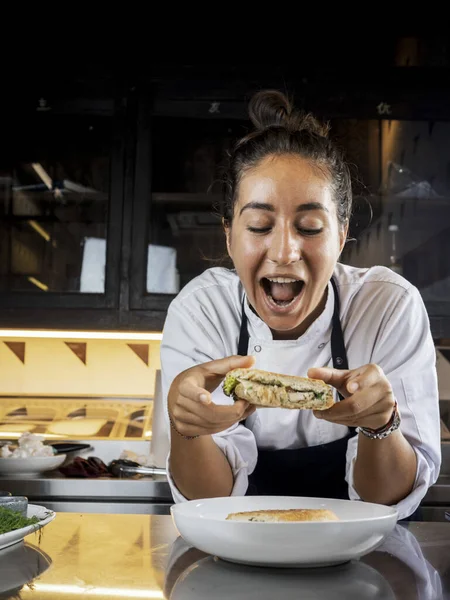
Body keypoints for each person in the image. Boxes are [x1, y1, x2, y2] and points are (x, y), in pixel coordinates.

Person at [161, 90, 441, 520]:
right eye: (259, 225)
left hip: (362, 562)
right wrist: (187, 429)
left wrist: (381, 424)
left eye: (310, 227)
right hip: (237, 554)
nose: (285, 250)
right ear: (229, 236)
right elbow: (208, 500)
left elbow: (387, 500)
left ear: (342, 235)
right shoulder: (201, 311)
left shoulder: (388, 306)